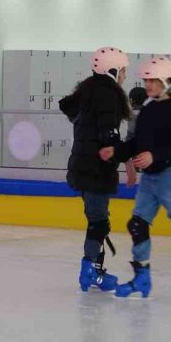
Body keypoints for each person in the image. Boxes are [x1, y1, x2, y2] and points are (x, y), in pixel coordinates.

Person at [100, 57, 171, 299]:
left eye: (153, 80)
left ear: (168, 82)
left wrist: (154, 156)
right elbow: (136, 144)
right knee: (137, 225)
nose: (148, 84)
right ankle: (142, 278)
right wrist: (117, 152)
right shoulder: (148, 110)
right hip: (150, 180)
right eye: (146, 80)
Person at [58, 47, 133, 293]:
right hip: (95, 170)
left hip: (81, 167)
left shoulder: (88, 91)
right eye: (123, 71)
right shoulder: (107, 96)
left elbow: (70, 108)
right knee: (99, 223)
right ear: (113, 71)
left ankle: (95, 270)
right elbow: (109, 138)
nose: (124, 76)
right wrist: (129, 160)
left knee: (97, 219)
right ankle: (89, 270)